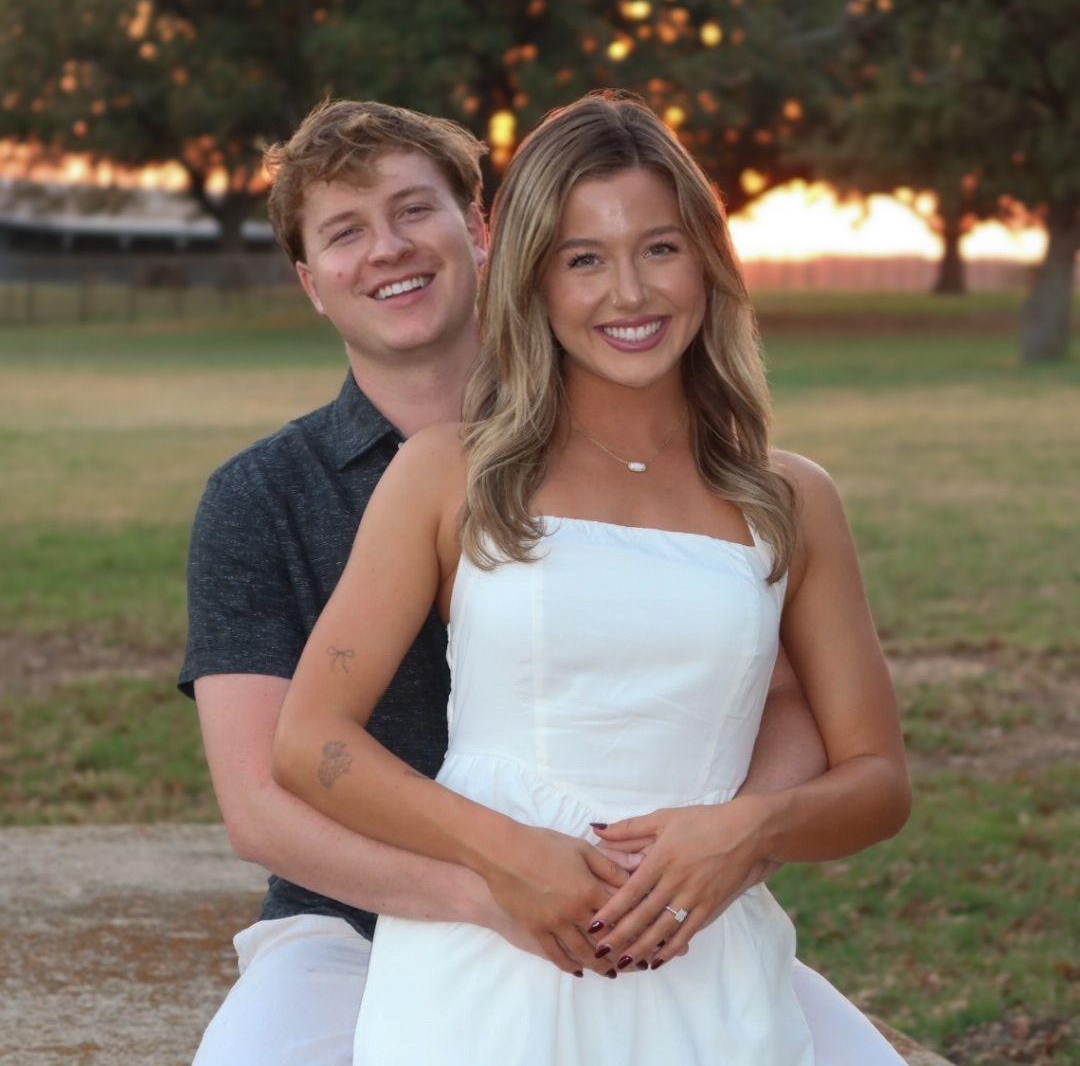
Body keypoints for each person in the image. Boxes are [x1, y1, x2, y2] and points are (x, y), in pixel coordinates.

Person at [180, 99, 839, 1064]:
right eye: (345, 232)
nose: (388, 248)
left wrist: (721, 856)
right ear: (311, 282)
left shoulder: (663, 445)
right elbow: (262, 804)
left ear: (483, 230)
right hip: (351, 922)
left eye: (414, 209)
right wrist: (489, 892)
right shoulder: (259, 498)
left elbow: (781, 695)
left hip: (645, 914)